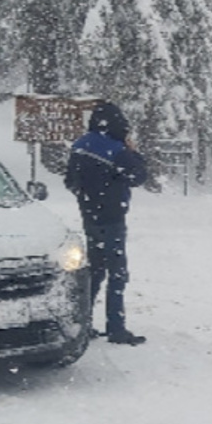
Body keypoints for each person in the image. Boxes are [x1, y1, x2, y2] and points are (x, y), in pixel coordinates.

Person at [64, 102, 149, 345]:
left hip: (89, 216)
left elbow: (69, 181)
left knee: (95, 270)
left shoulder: (79, 146)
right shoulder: (116, 149)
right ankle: (116, 327)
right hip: (112, 217)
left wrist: (87, 197)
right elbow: (139, 176)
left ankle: (83, 322)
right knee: (117, 273)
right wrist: (133, 153)